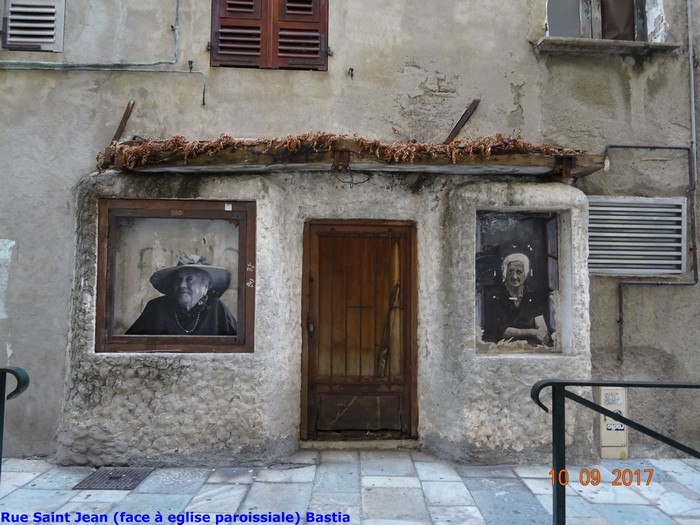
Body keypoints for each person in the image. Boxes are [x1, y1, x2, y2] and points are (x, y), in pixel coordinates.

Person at [126, 254, 238, 336]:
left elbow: (237, 346)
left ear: (205, 287)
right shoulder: (156, 307)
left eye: (190, 279)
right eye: (178, 280)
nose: (182, 285)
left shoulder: (216, 307)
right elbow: (129, 344)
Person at [481, 252, 551, 346]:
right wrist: (534, 332)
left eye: (519, 272)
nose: (514, 277)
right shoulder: (496, 296)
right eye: (511, 271)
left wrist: (542, 332)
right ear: (505, 273)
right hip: (502, 346)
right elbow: (504, 331)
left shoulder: (531, 296)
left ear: (525, 275)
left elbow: (541, 323)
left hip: (527, 346)